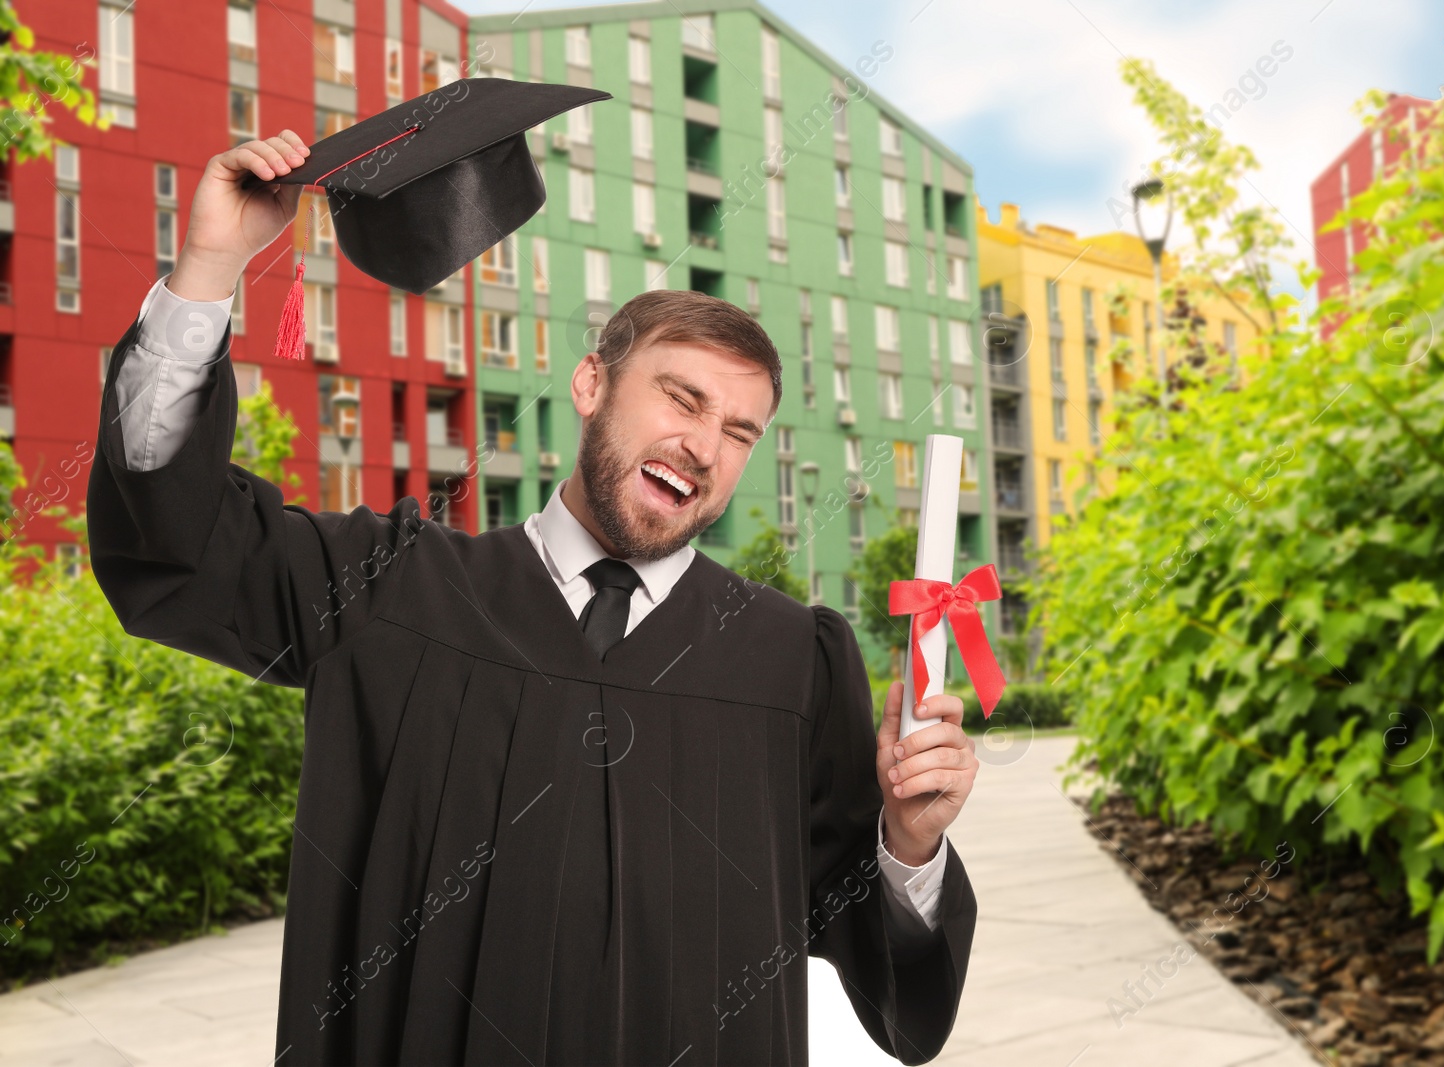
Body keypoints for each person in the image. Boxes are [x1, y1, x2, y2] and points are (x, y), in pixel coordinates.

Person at [85, 131, 980, 1066]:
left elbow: (878, 960)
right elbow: (175, 539)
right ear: (591, 384)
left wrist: (911, 845)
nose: (704, 446)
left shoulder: (794, 659)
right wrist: (212, 264)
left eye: (739, 430)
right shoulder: (390, 587)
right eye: (680, 398)